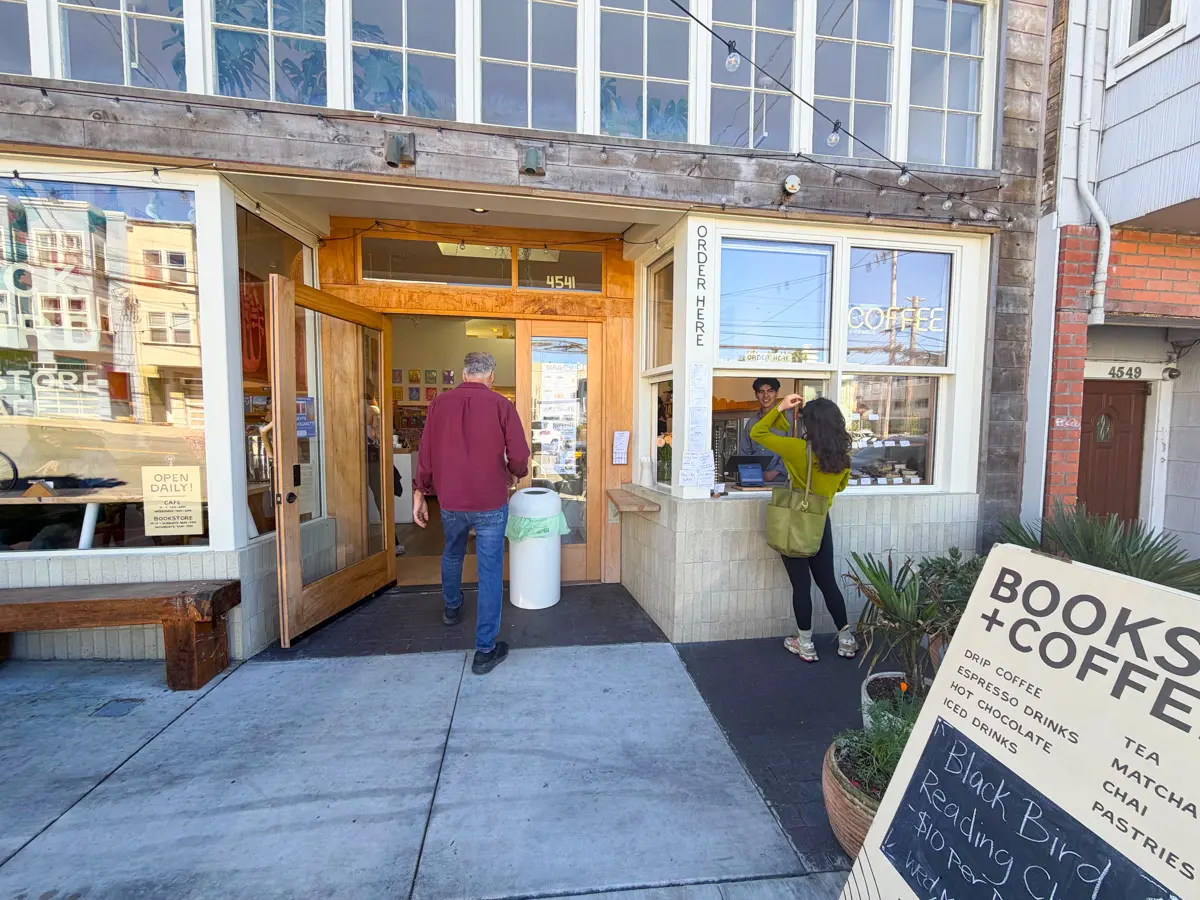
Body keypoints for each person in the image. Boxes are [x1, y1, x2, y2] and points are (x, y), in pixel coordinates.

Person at [414, 351, 530, 675]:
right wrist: (513, 472)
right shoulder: (502, 405)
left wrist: (420, 491)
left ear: (463, 375)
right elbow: (519, 455)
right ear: (491, 376)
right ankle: (484, 651)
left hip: (450, 501)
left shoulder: (438, 404)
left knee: (452, 553)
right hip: (491, 500)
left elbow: (426, 451)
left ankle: (452, 607)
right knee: (490, 570)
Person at [750, 395, 857, 663]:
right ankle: (846, 639)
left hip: (795, 521)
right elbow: (840, 488)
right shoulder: (843, 458)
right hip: (821, 522)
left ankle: (806, 643)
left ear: (809, 423)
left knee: (801, 585)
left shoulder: (797, 449)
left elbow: (757, 432)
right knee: (827, 582)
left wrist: (780, 408)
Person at [737, 377, 794, 482]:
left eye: (770, 391)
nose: (766, 396)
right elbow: (745, 452)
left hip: (783, 480)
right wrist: (750, 473)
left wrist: (776, 471)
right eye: (761, 392)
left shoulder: (789, 419)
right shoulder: (752, 422)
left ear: (777, 393)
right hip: (756, 480)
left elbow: (795, 450)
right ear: (756, 395)